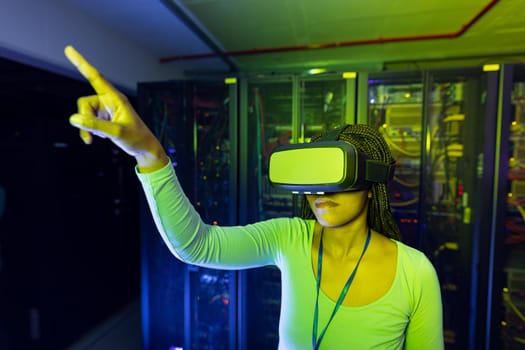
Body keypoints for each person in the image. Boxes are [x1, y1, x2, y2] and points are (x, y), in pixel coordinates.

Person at [64, 45, 444, 349]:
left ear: (371, 179)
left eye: (336, 174)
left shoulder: (415, 272)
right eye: (312, 177)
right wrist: (150, 153)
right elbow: (197, 246)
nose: (319, 192)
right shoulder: (289, 238)